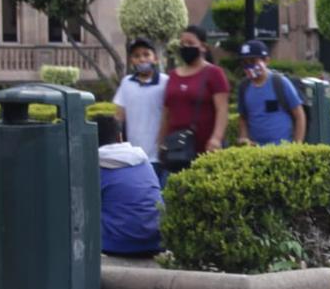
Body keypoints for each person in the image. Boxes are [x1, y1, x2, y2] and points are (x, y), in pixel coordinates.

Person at [158, 24, 230, 171]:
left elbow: (222, 110)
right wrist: (161, 141)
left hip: (206, 148)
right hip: (176, 148)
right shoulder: (172, 75)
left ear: (203, 47)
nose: (185, 47)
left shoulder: (214, 73)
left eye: (190, 43)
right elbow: (166, 112)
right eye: (182, 43)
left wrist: (216, 138)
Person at [96, 116, 163, 255]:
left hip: (118, 245)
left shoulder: (96, 167)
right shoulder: (143, 161)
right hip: (157, 241)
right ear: (120, 137)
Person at [112, 37, 169, 182]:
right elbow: (118, 115)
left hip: (158, 155)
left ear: (155, 58)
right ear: (131, 61)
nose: (142, 59)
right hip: (133, 155)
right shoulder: (126, 83)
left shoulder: (165, 82)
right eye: (136, 56)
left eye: (146, 54)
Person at [235, 40, 306, 146]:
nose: (248, 67)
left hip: (282, 148)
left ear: (266, 61)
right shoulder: (244, 87)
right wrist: (244, 139)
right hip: (255, 150)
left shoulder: (280, 83)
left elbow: (299, 115)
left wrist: (297, 145)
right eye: (244, 63)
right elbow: (243, 117)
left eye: (252, 61)